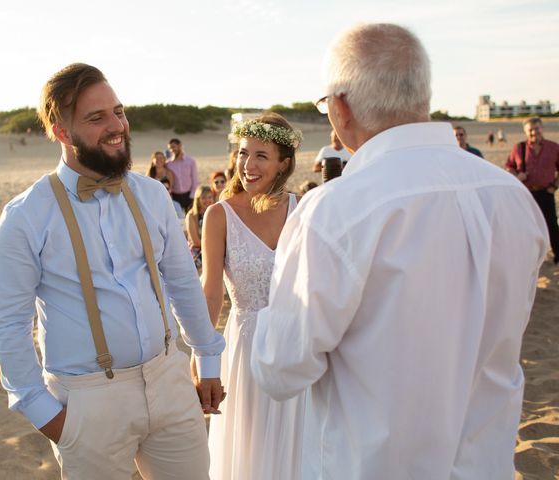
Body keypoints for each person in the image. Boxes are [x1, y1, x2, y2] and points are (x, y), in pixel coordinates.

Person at [251, 24, 548, 480]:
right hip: (485, 464)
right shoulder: (511, 196)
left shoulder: (336, 210)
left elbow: (281, 369)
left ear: (341, 105)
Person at [0, 63, 225, 480]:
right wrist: (44, 412)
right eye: (96, 118)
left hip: (169, 381)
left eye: (119, 111)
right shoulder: (25, 217)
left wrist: (206, 357)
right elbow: (7, 326)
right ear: (61, 131)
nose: (117, 126)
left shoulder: (153, 195)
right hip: (87, 401)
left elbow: (183, 282)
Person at [200, 112, 305, 480]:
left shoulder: (304, 210)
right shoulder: (219, 216)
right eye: (243, 153)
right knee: (252, 455)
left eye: (261, 155)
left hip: (298, 350)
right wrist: (204, 359)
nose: (248, 164)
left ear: (283, 164)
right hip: (246, 353)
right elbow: (211, 293)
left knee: (300, 451)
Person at [505, 117, 559, 264]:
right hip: (526, 194)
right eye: (530, 130)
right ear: (526, 131)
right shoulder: (519, 148)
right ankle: (529, 256)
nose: (534, 132)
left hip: (546, 192)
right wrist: (517, 176)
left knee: (552, 225)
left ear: (542, 128)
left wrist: (554, 186)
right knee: (527, 225)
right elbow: (509, 166)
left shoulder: (553, 147)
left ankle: (557, 254)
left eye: (537, 128)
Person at [185, 185, 215, 271]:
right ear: (198, 200)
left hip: (213, 248)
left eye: (210, 197)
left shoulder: (215, 214)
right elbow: (196, 242)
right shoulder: (191, 216)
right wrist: (215, 246)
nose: (207, 200)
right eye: (204, 198)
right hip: (198, 251)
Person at [166, 138, 198, 212]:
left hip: (189, 195)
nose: (172, 150)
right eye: (170, 148)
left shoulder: (191, 161)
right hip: (175, 196)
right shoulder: (168, 164)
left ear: (180, 146)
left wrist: (192, 196)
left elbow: (195, 180)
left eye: (173, 147)